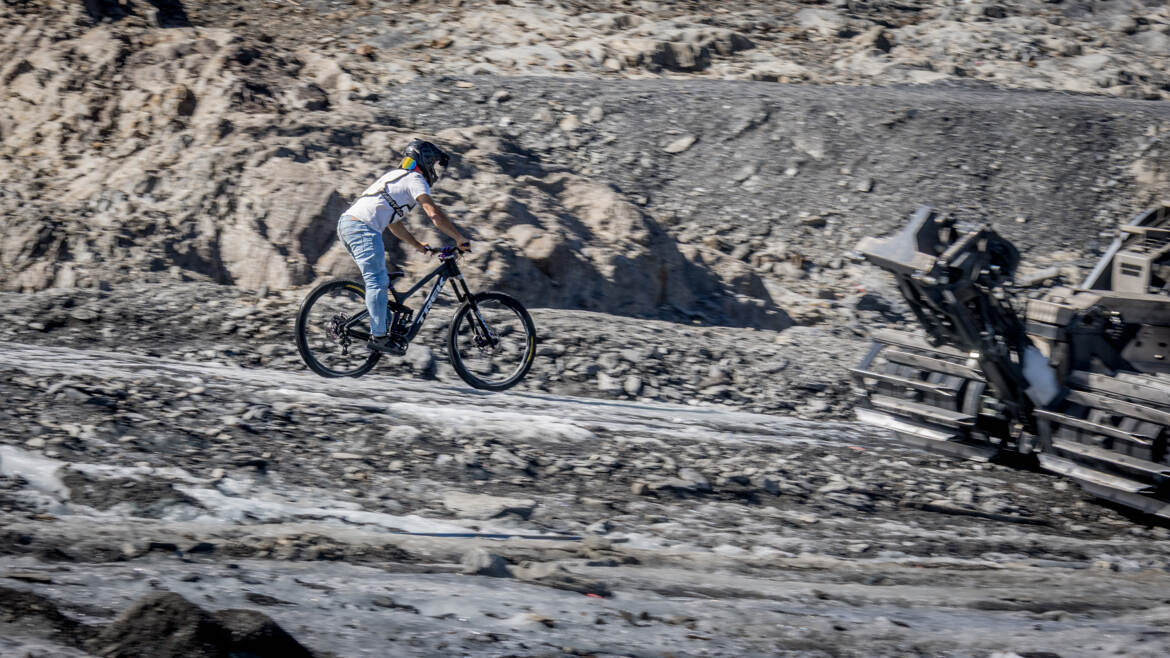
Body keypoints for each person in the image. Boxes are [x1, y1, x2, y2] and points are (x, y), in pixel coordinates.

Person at [337, 139, 471, 354]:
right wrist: (458, 238)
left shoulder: (394, 177)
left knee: (380, 285)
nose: (434, 171)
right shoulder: (415, 178)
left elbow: (393, 224)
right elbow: (433, 212)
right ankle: (379, 337)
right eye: (434, 164)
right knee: (377, 281)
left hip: (348, 224)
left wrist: (417, 245)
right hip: (362, 227)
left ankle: (382, 326)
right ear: (426, 161)